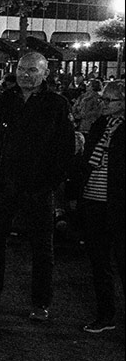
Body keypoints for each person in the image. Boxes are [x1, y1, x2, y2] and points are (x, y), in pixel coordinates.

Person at [0, 52, 75, 322]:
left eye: (32, 70)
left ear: (45, 73)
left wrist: (49, 183)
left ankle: (41, 301)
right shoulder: (7, 99)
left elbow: (65, 149)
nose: (25, 74)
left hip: (37, 187)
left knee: (42, 247)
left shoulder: (57, 104)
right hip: (4, 183)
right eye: (21, 69)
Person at [75, 80, 123, 334]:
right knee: (99, 260)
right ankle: (106, 314)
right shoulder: (100, 125)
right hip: (94, 199)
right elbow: (87, 161)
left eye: (109, 101)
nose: (103, 104)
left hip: (116, 202)